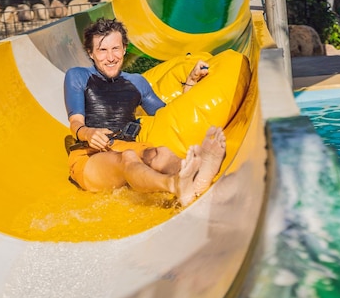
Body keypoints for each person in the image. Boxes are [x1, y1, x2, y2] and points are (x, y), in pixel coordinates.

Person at [63, 18, 226, 207]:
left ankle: (197, 175)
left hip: (127, 146)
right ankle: (174, 183)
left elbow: (169, 114)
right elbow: (75, 123)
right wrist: (88, 133)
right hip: (89, 156)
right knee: (128, 158)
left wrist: (190, 81)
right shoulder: (78, 76)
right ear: (91, 53)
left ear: (124, 49)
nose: (111, 57)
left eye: (116, 48)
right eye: (102, 50)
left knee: (160, 152)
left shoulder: (137, 82)